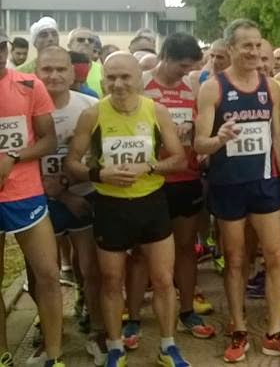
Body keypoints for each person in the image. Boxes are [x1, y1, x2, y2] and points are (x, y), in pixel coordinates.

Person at [65, 52, 192, 367]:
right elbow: (71, 162)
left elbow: (179, 159)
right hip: (111, 206)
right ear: (103, 80)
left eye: (125, 77)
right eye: (111, 77)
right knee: (111, 280)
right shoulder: (93, 114)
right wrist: (99, 174)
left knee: (163, 279)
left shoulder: (156, 111)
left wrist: (149, 167)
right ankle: (115, 347)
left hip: (151, 203)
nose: (118, 84)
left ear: (139, 79)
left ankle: (168, 346)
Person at [194, 19, 280, 363]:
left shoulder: (271, 87)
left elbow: (276, 139)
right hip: (228, 185)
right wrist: (219, 138)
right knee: (236, 259)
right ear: (230, 49)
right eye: (247, 46)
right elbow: (199, 144)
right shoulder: (213, 88)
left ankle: (273, 332)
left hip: (265, 183)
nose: (254, 52)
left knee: (275, 255)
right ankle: (239, 328)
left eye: (258, 45)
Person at [124, 34, 216, 348]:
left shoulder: (193, 86)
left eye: (191, 66)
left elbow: (204, 125)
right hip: (151, 181)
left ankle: (187, 311)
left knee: (186, 247)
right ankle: (133, 317)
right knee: (141, 252)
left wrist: (193, 126)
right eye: (182, 66)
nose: (186, 72)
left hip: (186, 177)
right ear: (165, 56)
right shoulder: (141, 84)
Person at [0, 30, 65, 367]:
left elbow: (48, 140)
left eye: (1, 47)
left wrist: (13, 157)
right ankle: (3, 356)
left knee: (48, 275)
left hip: (25, 194)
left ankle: (54, 355)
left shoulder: (28, 84)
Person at [35, 46, 104, 363]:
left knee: (90, 267)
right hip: (39, 199)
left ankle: (96, 327)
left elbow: (98, 156)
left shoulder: (89, 106)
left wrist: (66, 187)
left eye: (60, 69)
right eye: (47, 69)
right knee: (42, 272)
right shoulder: (26, 107)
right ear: (37, 72)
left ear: (72, 71)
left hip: (83, 194)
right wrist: (61, 194)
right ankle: (50, 332)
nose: (54, 76)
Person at [68, 27, 102, 96]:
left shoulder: (102, 70)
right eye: (81, 40)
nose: (86, 43)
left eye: (90, 41)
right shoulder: (60, 69)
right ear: (69, 45)